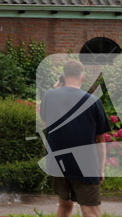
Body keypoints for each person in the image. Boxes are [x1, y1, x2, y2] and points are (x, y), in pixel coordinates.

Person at [40, 59, 111, 217]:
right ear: (83, 77)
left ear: (63, 76)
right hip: (84, 163)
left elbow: (46, 124)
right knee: (90, 210)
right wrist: (100, 169)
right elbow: (100, 140)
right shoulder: (93, 101)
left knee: (64, 206)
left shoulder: (49, 96)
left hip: (57, 162)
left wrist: (57, 88)